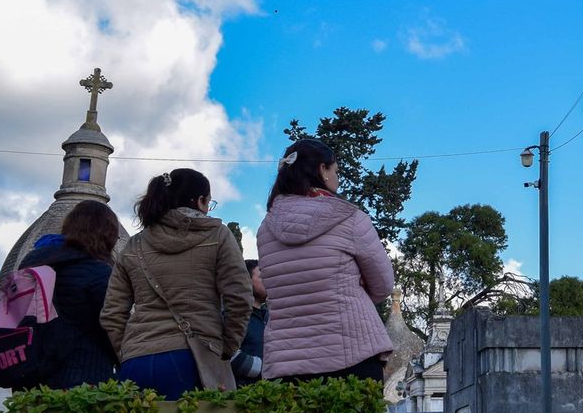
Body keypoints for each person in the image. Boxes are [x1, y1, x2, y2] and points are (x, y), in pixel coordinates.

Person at [102, 168, 253, 399]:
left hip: (136, 359)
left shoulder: (134, 245)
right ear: (201, 201)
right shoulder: (218, 236)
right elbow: (239, 297)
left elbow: (112, 312)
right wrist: (227, 347)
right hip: (195, 357)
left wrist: (128, 351)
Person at [256, 138, 394, 382]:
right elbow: (383, 285)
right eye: (336, 171)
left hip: (289, 362)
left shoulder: (266, 229)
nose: (337, 178)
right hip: (352, 353)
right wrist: (350, 289)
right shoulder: (350, 218)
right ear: (322, 169)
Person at [15, 201, 123, 388]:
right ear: (108, 235)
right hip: (82, 378)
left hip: (29, 376)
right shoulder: (97, 271)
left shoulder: (31, 262)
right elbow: (112, 325)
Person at [230, 259, 269, 383]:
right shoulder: (234, 315)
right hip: (245, 395)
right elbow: (228, 354)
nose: (268, 281)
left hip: (273, 393)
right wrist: (269, 368)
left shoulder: (269, 316)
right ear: (246, 280)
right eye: (262, 277)